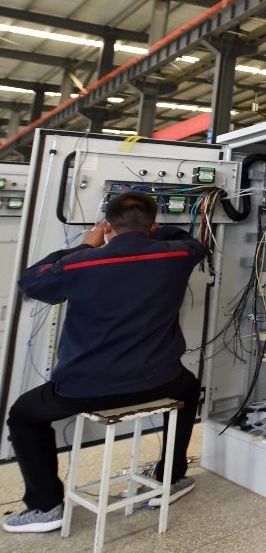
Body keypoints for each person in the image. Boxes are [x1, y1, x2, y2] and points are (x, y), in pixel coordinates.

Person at [4, 191, 206, 533]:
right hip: (159, 380)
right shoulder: (175, 255)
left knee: (23, 416)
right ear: (153, 225)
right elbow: (195, 243)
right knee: (188, 389)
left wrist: (86, 245)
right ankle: (170, 479)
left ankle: (45, 506)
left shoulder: (79, 263)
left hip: (85, 390)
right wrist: (154, 231)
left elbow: (31, 281)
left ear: (107, 227)